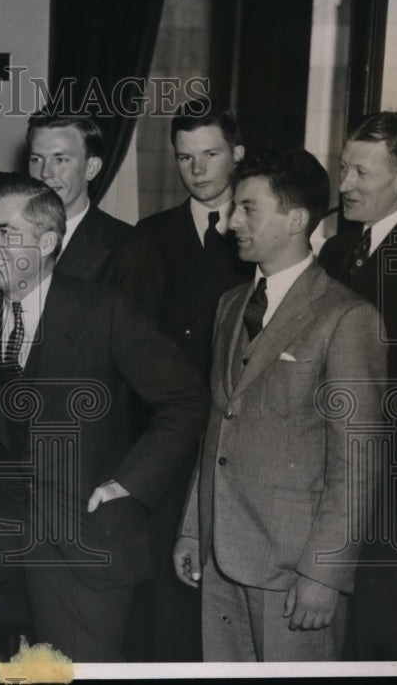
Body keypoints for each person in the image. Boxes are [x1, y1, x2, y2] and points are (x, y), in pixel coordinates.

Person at [0, 172, 208, 662]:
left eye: (4, 233)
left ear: (49, 241)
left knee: (69, 670)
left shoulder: (106, 311)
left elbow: (186, 399)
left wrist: (129, 482)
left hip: (82, 516)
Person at [174, 148, 386, 662]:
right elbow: (219, 425)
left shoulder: (345, 317)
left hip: (293, 572)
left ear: (294, 219)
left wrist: (324, 574)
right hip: (221, 556)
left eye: (248, 208)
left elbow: (358, 462)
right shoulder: (230, 305)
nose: (230, 223)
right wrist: (190, 529)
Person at [115, 106, 253, 661]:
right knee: (165, 582)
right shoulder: (150, 238)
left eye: (211, 154)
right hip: (169, 435)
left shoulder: (258, 234)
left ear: (237, 153)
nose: (197, 169)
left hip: (235, 436)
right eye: (185, 158)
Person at [318, 111, 397, 660]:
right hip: (324, 478)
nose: (344, 184)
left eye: (360, 173)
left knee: (378, 642)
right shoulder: (335, 251)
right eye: (343, 168)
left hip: (390, 498)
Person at [26, 113, 134, 284]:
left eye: (60, 159)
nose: (45, 172)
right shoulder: (5, 234)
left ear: (91, 168)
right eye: (36, 159)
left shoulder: (128, 246)